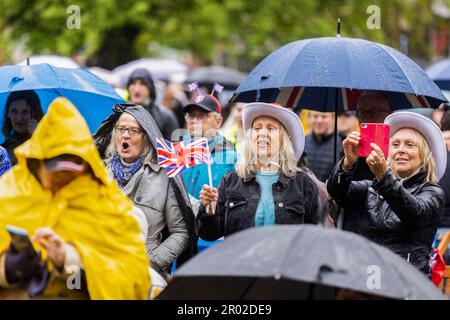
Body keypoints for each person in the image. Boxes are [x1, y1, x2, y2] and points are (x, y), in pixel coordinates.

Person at [0, 97, 150, 299]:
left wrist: (68, 260)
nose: (60, 178)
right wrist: (8, 270)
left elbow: (134, 281)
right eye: (53, 167)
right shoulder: (10, 192)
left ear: (87, 167)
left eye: (71, 169)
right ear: (37, 163)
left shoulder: (106, 204)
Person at [327, 111, 446, 274]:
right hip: (369, 273)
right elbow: (338, 193)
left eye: (410, 145)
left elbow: (414, 213)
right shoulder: (373, 186)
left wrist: (383, 177)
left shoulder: (432, 191)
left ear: (424, 155)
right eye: (395, 144)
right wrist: (347, 164)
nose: (400, 150)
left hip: (406, 277)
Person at [94, 103, 197, 281]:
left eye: (133, 130)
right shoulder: (99, 172)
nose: (125, 135)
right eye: (120, 129)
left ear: (147, 137)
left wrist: (152, 264)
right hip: (102, 271)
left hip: (145, 276)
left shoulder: (165, 177)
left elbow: (182, 231)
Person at [197, 103, 320, 241]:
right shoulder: (231, 180)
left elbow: (313, 238)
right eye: (257, 128)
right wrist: (209, 211)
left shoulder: (302, 183)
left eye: (271, 128)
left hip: (285, 262)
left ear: (283, 139)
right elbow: (208, 234)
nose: (262, 133)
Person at [182, 94, 237, 200]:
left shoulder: (232, 159)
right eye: (191, 115)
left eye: (202, 115)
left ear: (218, 121)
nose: (194, 120)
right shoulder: (178, 151)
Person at [127, 68, 179, 140]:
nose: (137, 89)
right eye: (133, 83)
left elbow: (175, 146)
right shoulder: (120, 114)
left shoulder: (165, 116)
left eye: (142, 84)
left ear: (150, 88)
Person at [1, 90, 43, 165]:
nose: (19, 118)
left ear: (34, 113)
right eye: (14, 111)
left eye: (25, 111)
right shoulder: (3, 152)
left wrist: (38, 138)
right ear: (8, 114)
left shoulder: (49, 143)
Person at [304, 111, 344, 182]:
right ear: (309, 118)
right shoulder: (303, 142)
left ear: (332, 118)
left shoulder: (341, 145)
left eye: (324, 116)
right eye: (315, 116)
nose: (319, 121)